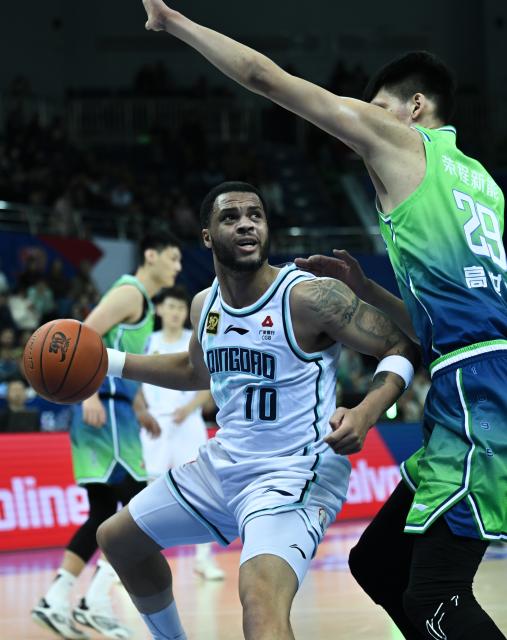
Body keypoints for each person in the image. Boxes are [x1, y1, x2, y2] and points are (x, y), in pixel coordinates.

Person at [138, 5, 507, 637]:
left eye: (377, 108)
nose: (363, 124)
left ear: (414, 108)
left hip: (478, 395)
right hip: (473, 374)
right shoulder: (483, 184)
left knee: (436, 600)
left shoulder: (402, 141)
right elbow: (442, 327)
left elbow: (263, 75)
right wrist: (370, 292)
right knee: (379, 563)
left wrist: (176, 24)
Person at [96, 181, 417, 640]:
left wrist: (365, 411)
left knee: (260, 603)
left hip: (295, 470)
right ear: (206, 236)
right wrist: (107, 362)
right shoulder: (204, 305)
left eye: (256, 215)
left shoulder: (308, 297)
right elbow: (195, 370)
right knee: (118, 540)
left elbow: (399, 343)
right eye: (230, 217)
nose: (246, 223)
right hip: (225, 464)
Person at [32, 232, 182, 640]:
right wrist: (90, 394)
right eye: (172, 257)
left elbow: (117, 360)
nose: (178, 266)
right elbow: (83, 337)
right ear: (149, 254)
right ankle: (94, 599)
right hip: (103, 413)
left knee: (105, 511)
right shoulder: (131, 292)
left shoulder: (144, 305)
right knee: (135, 514)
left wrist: (140, 409)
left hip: (120, 411)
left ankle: (61, 596)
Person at [139, 285, 224, 580]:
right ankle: (143, 562)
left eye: (179, 307)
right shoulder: (147, 341)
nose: (175, 312)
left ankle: (204, 559)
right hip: (155, 427)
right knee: (149, 493)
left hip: (188, 424)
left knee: (201, 490)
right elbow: (135, 385)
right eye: (170, 307)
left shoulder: (195, 341)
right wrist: (142, 412)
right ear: (160, 310)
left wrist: (190, 409)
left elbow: (213, 381)